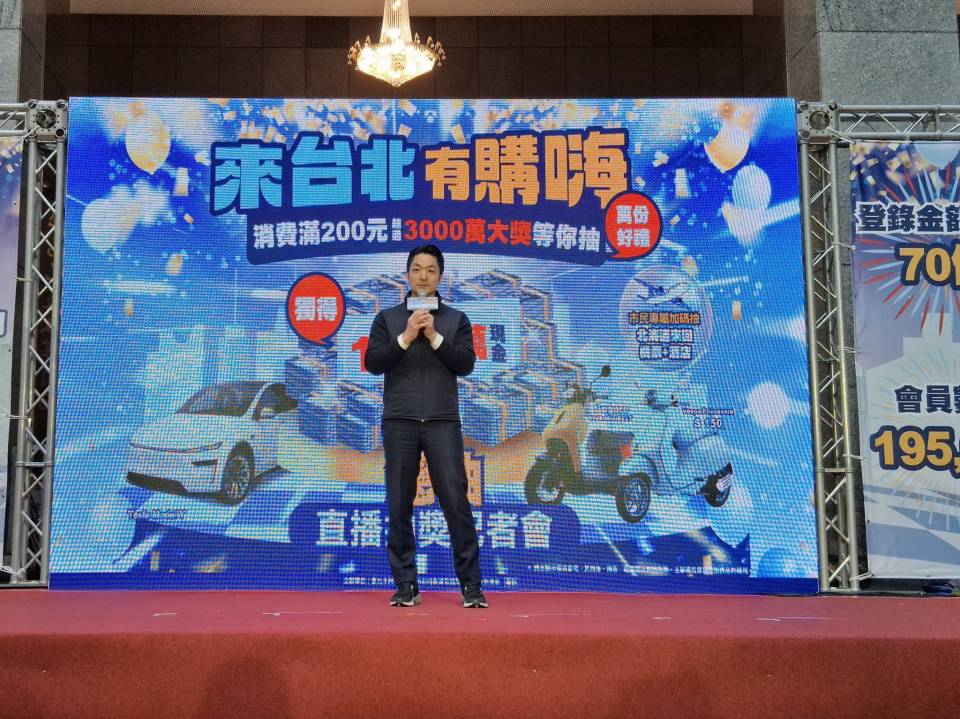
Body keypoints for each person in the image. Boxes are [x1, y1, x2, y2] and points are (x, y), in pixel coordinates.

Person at [364, 244, 487, 609]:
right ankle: (406, 585)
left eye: (430, 270)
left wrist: (434, 336)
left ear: (440, 277)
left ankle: (471, 586)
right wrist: (405, 336)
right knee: (399, 505)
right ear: (407, 275)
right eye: (416, 269)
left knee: (456, 502)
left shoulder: (456, 319)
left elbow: (465, 364)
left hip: (442, 422)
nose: (423, 276)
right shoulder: (387, 319)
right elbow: (374, 362)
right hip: (399, 422)